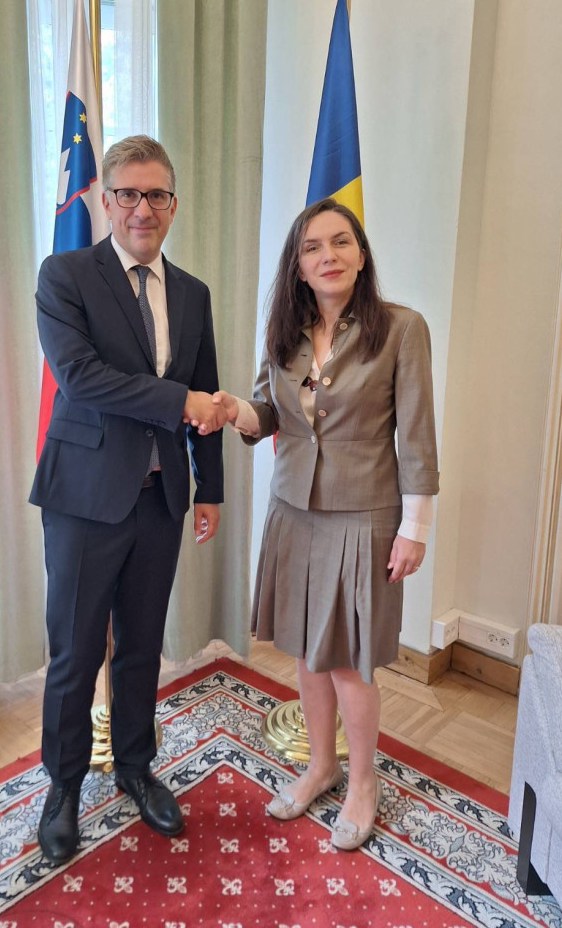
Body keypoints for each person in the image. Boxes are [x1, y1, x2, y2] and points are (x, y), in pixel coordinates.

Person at [212, 198, 439, 850]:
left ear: (359, 254)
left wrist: (414, 527)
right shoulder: (283, 331)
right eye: (312, 247)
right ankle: (320, 765)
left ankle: (363, 781)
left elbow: (417, 438)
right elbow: (267, 415)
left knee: (347, 664)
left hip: (361, 515)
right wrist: (234, 410)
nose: (327, 256)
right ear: (299, 265)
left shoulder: (401, 328)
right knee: (305, 655)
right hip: (292, 513)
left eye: (340, 242)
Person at [30, 135, 226, 864]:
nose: (144, 208)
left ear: (173, 203)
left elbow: (207, 393)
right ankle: (64, 786)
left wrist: (209, 487)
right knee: (76, 652)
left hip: (160, 497)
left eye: (158, 195)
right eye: (129, 193)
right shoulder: (66, 275)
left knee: (141, 644)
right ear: (105, 199)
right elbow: (81, 379)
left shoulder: (194, 293)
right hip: (82, 496)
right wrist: (183, 400)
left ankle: (136, 767)